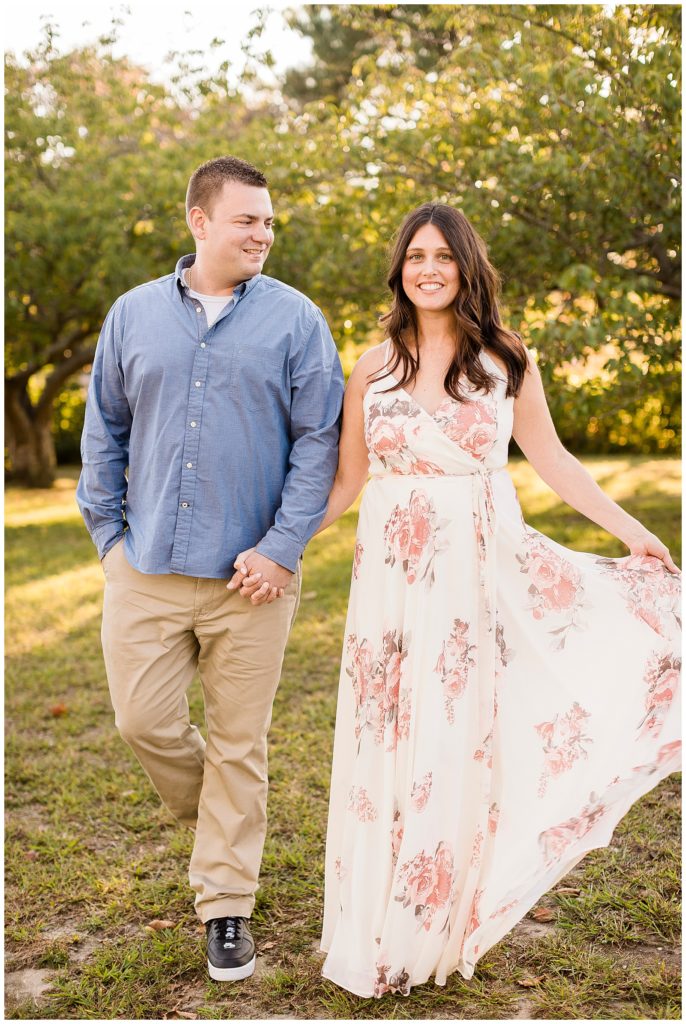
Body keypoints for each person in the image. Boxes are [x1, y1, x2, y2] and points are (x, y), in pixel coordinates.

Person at [316, 202, 681, 997]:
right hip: (390, 591)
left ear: (467, 267)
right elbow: (345, 480)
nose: (429, 268)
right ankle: (375, 920)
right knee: (389, 740)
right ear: (399, 269)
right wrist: (275, 545)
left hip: (475, 581)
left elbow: (551, 458)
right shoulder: (371, 367)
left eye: (444, 256)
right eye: (416, 255)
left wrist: (631, 530)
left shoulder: (505, 359)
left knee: (452, 740)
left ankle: (435, 923)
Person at [76, 155, 344, 982]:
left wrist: (282, 547)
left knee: (240, 741)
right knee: (143, 723)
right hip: (146, 565)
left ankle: (226, 904)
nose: (263, 233)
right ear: (200, 222)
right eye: (247, 220)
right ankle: (228, 822)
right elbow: (103, 432)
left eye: (269, 221)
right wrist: (110, 539)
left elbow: (320, 444)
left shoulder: (298, 321)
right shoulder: (132, 315)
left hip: (252, 578)